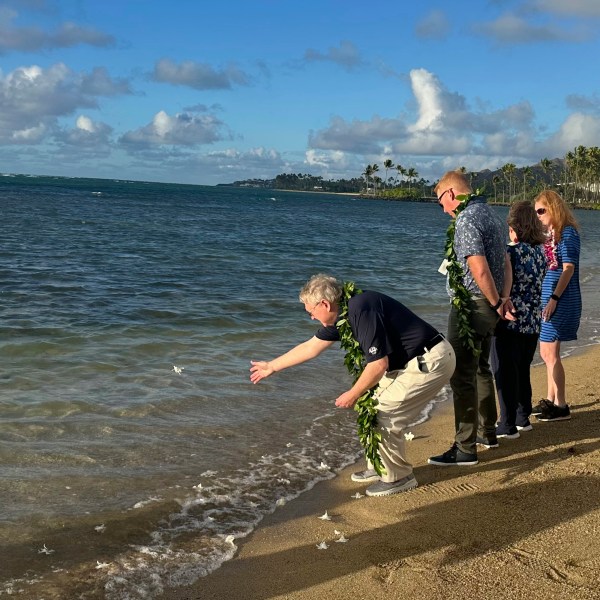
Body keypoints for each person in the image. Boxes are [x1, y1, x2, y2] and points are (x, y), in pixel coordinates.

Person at [250, 274, 456, 497]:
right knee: (369, 408)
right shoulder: (343, 313)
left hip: (429, 360)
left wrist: (353, 393)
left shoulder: (361, 309)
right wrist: (272, 366)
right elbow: (312, 347)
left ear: (325, 304)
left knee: (382, 412)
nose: (310, 317)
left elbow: (378, 364)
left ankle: (398, 478)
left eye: (311, 311)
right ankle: (380, 466)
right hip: (409, 363)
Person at [428, 170, 512, 466]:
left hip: (471, 307)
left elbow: (479, 268)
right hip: (490, 304)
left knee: (461, 375)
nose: (443, 209)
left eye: (440, 202)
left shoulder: (466, 219)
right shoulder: (490, 214)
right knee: (481, 368)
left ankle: (465, 448)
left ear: (450, 194)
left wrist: (494, 301)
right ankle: (488, 432)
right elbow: (504, 262)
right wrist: (503, 299)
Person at [490, 201, 547, 438]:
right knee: (522, 369)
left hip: (511, 318)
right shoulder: (541, 253)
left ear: (514, 227)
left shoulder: (511, 252)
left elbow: (502, 282)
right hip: (533, 319)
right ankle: (523, 417)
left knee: (504, 370)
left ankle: (507, 424)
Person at [532, 190, 581, 422]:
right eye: (536, 212)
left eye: (541, 211)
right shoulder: (551, 234)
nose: (538, 216)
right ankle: (550, 400)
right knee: (545, 352)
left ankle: (561, 405)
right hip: (549, 299)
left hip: (560, 300)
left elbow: (568, 268)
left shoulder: (567, 233)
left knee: (551, 353)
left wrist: (554, 298)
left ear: (553, 208)